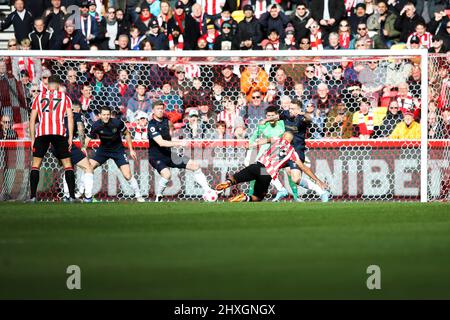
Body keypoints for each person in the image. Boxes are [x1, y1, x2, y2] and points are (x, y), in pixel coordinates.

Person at [215, 131, 327, 202]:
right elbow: (304, 168)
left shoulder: (277, 140)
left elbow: (265, 140)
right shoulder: (292, 152)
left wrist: (253, 144)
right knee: (257, 198)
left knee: (236, 178)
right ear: (291, 142)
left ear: (283, 136)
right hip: (266, 173)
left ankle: (229, 182)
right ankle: (244, 197)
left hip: (257, 166)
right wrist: (317, 180)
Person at [147, 101, 217, 202]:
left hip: (169, 154)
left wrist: (179, 140)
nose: (160, 111)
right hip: (156, 157)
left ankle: (207, 190)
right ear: (153, 110)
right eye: (158, 109)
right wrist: (179, 143)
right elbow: (161, 142)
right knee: (167, 175)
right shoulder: (152, 125)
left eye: (162, 108)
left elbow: (171, 137)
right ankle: (159, 196)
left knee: (195, 166)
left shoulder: (167, 121)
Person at [28, 76, 76, 202]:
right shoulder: (65, 97)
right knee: (67, 165)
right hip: (59, 133)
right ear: (59, 85)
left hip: (42, 133)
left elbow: (32, 119)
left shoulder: (38, 97)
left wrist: (33, 138)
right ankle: (71, 197)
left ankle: (33, 197)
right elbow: (70, 118)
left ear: (47, 85)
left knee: (36, 165)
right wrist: (70, 137)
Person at [82, 106, 145, 202]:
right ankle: (85, 194)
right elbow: (88, 138)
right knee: (88, 167)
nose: (106, 117)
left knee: (127, 175)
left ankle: (138, 195)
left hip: (118, 150)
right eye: (104, 115)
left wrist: (131, 149)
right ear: (99, 115)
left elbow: (127, 134)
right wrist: (83, 148)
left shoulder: (117, 123)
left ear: (110, 115)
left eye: (108, 115)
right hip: (103, 150)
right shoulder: (95, 125)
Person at [275, 99, 330, 202]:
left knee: (296, 179)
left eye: (293, 109)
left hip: (297, 150)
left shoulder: (302, 118)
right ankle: (282, 190)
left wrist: (303, 113)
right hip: (285, 149)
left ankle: (322, 192)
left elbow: (309, 119)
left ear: (299, 110)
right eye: (289, 108)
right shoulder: (286, 114)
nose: (290, 110)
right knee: (266, 168)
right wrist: (268, 119)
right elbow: (277, 117)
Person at [52, 101, 94, 202]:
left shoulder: (59, 115)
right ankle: (88, 197)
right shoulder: (77, 115)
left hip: (54, 144)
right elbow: (80, 128)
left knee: (68, 168)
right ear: (78, 109)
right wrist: (83, 146)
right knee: (88, 167)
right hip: (66, 143)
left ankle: (67, 196)